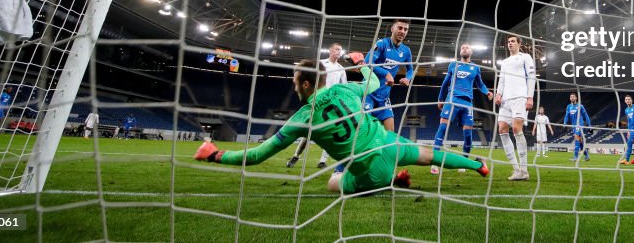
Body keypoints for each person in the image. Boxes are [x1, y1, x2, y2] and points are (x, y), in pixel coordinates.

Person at [194, 54, 488, 194]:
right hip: (389, 142)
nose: (294, 86)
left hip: (370, 168)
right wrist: (362, 63)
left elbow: (258, 155)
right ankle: (479, 166)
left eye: (295, 81)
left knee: (333, 181)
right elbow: (372, 81)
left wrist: (217, 154)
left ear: (307, 84)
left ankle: (388, 180)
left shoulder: (303, 118)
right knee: (427, 154)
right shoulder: (345, 90)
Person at [431, 43, 493, 175]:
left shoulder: (475, 68)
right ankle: (435, 162)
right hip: (452, 100)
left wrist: (487, 92)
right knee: (442, 128)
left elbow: (480, 84)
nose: (464, 48)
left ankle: (463, 162)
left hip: (467, 104)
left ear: (471, 52)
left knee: (468, 135)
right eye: (462, 48)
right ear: (460, 52)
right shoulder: (453, 65)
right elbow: (445, 83)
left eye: (467, 47)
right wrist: (440, 99)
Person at [287, 43, 348, 169]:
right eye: (337, 49)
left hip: (331, 103)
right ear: (330, 50)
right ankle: (296, 156)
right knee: (309, 132)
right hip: (317, 100)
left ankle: (322, 161)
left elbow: (344, 86)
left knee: (332, 132)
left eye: (340, 50)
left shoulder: (341, 69)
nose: (339, 52)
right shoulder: (320, 63)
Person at [494, 35, 536, 181]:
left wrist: (529, 97)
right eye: (508, 42)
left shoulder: (525, 57)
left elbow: (531, 77)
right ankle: (516, 169)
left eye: (513, 41)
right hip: (506, 100)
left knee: (517, 129)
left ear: (519, 44)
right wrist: (498, 94)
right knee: (502, 130)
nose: (510, 43)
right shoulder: (504, 62)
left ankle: (524, 171)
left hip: (520, 97)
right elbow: (502, 79)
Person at [364, 20, 414, 132]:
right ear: (392, 29)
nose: (403, 31)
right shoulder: (382, 44)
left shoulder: (406, 51)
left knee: (390, 133)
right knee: (363, 129)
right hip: (368, 92)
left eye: (405, 29)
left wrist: (408, 78)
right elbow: (368, 62)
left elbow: (410, 70)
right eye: (400, 28)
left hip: (384, 96)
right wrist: (386, 74)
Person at [563, 93, 592, 162]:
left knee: (576, 137)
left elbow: (586, 116)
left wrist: (589, 125)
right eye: (571, 97)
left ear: (576, 98)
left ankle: (575, 157)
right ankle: (587, 156)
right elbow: (567, 116)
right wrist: (564, 123)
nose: (572, 98)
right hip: (573, 126)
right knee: (580, 141)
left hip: (580, 125)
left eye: (573, 97)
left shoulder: (580, 106)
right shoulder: (568, 106)